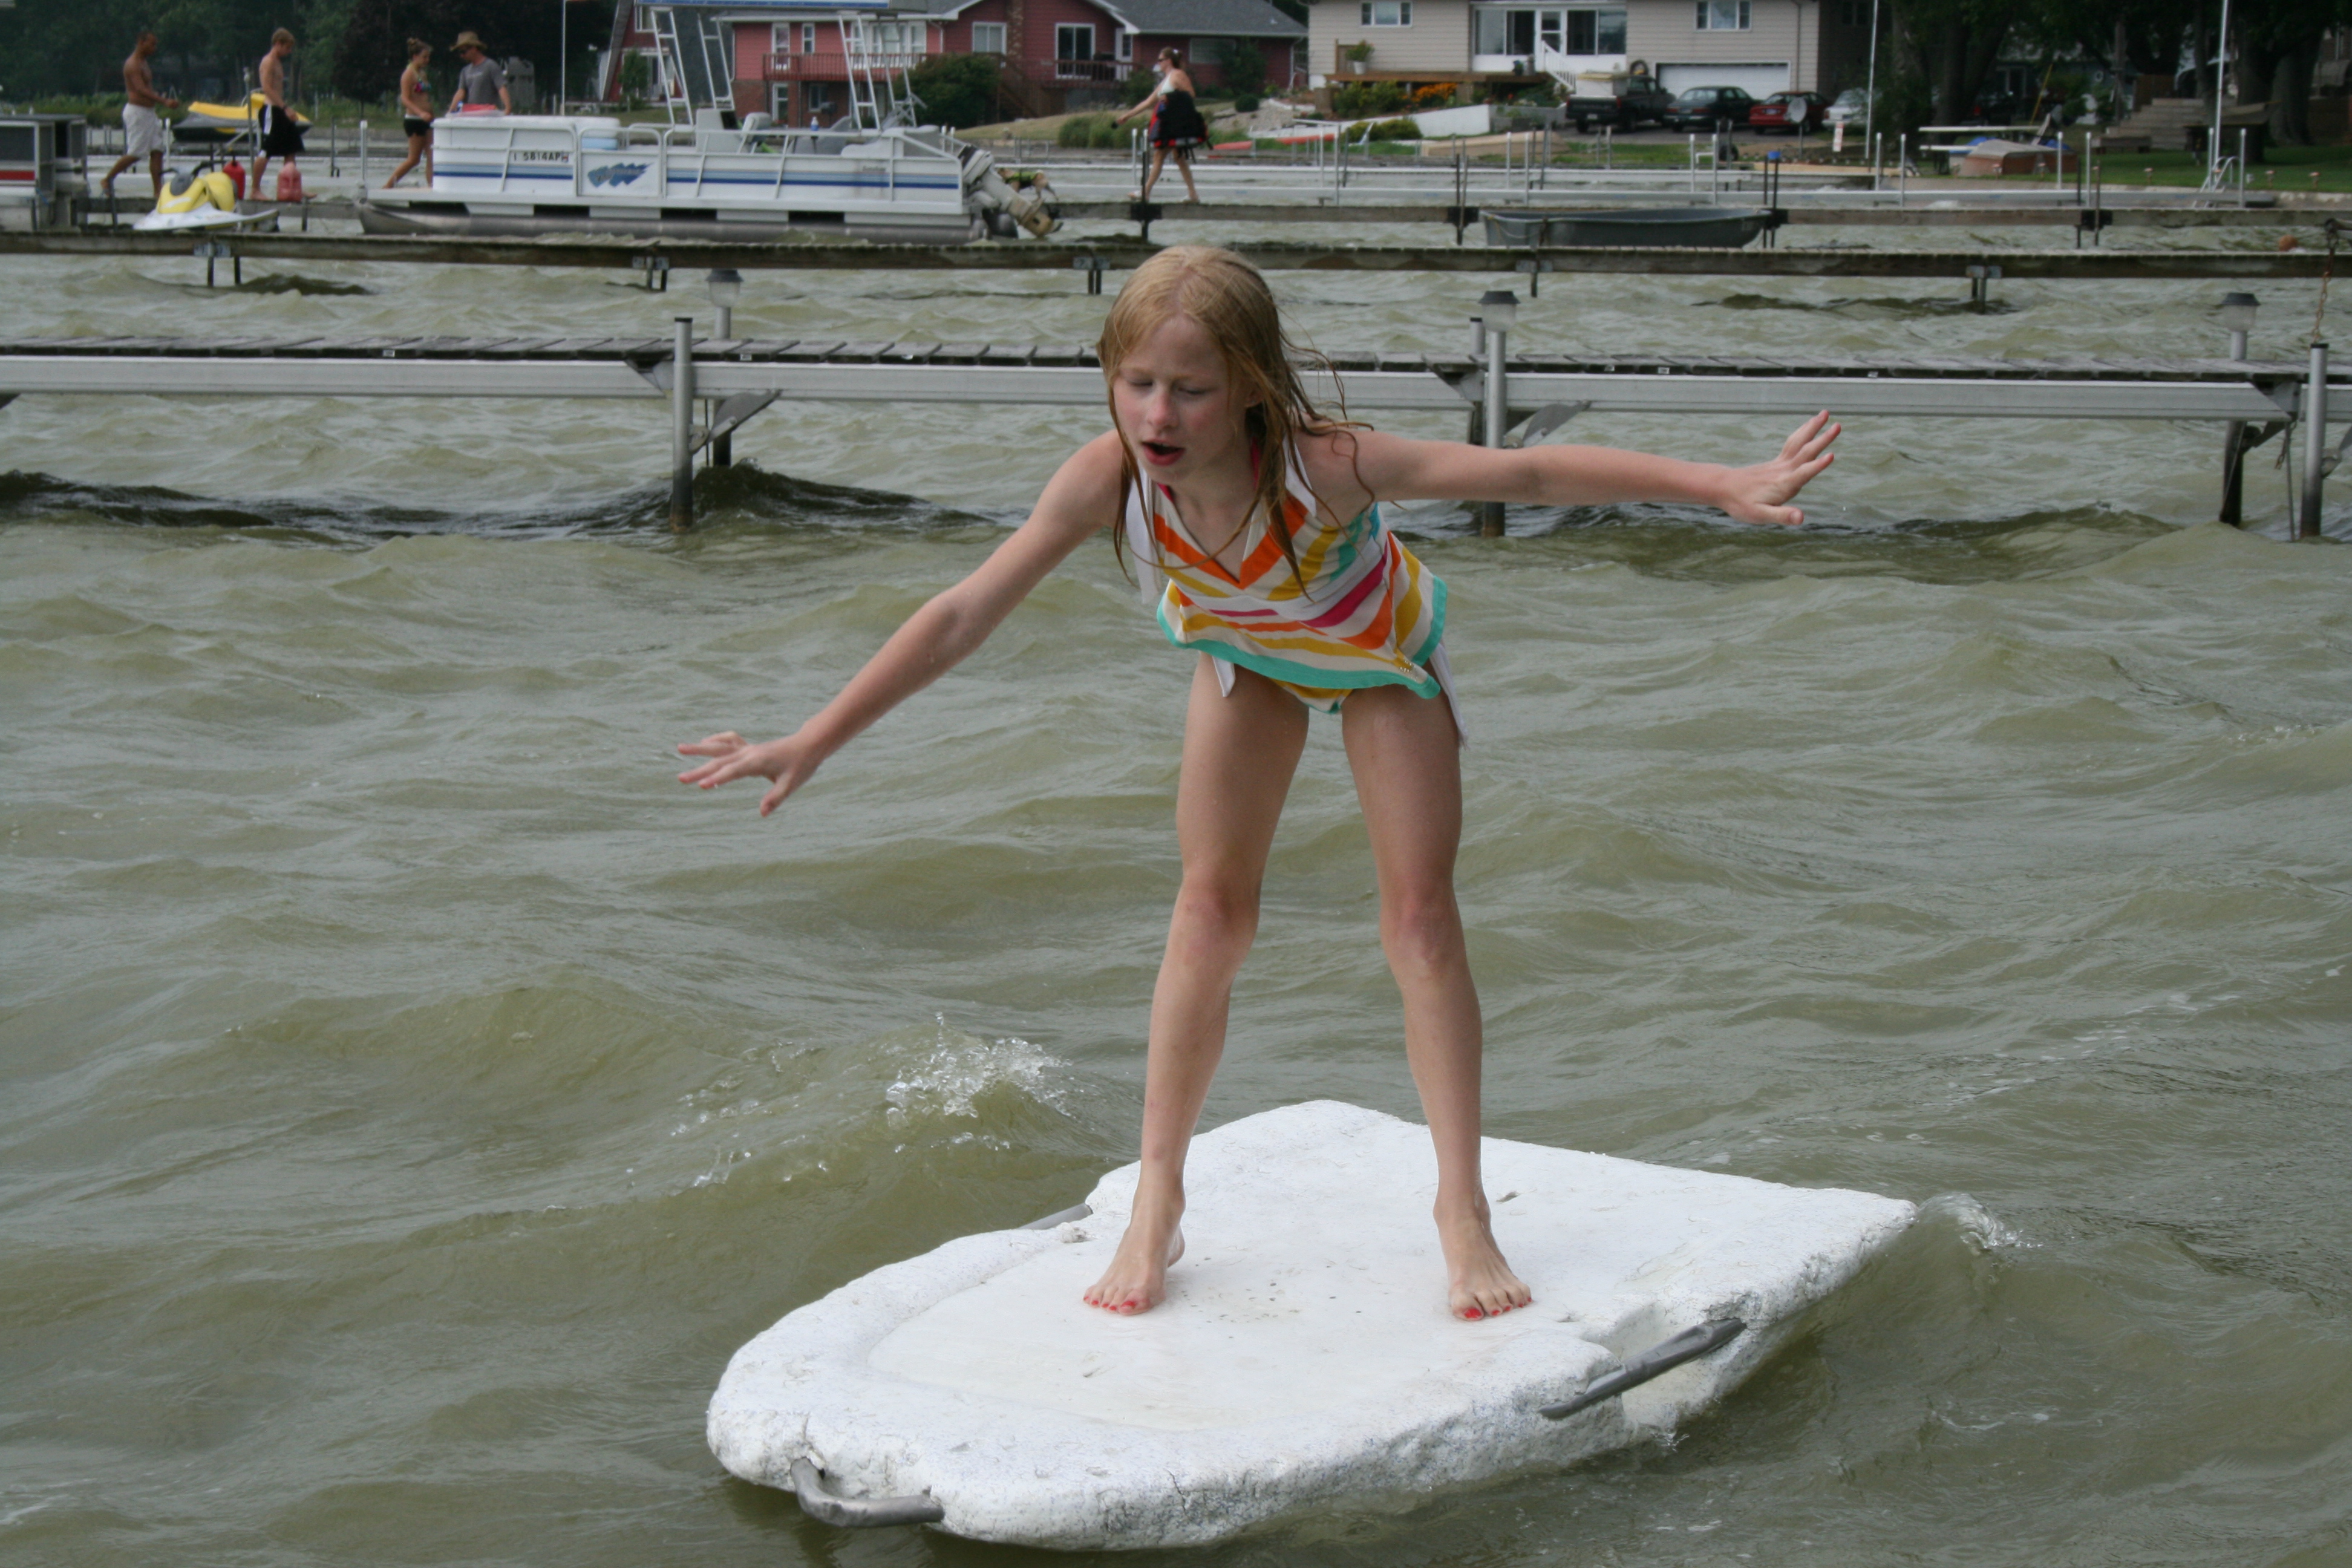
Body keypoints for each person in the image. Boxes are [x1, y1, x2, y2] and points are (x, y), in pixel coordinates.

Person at [676, 246, 1838, 1322]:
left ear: (1245, 386)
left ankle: (1460, 1206)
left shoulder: (1325, 466)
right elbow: (959, 613)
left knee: (1418, 923)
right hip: (1250, 657)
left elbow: (1523, 468)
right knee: (1207, 912)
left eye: (1188, 390)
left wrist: (1716, 483)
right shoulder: (1107, 479)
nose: (1156, 415)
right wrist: (814, 736)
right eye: (1135, 383)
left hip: (1377, 657)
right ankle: (1157, 1198)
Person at [1116, 47, 1204, 204]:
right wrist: (1128, 116)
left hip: (1176, 123)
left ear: (1168, 61)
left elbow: (1191, 94)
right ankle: (1192, 194)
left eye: (1160, 60)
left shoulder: (1178, 75)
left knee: (1160, 155)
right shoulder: (1167, 79)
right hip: (1170, 123)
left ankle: (1146, 192)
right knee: (1179, 158)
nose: (1158, 63)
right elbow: (1149, 102)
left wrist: (1171, 97)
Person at [101, 31, 179, 201]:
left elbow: (148, 88)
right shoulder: (133, 64)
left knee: (157, 150)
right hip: (137, 112)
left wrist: (158, 97)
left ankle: (158, 190)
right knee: (136, 153)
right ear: (141, 42)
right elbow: (140, 89)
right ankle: (108, 179)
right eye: (152, 44)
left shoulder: (144, 63)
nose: (154, 48)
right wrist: (164, 101)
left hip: (149, 113)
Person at [250, 27, 304, 199]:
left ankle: (292, 187)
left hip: (280, 110)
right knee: (266, 150)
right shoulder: (268, 62)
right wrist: (285, 108)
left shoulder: (278, 62)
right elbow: (267, 88)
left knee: (291, 148)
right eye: (287, 48)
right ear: (278, 44)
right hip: (271, 111)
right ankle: (255, 189)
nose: (289, 52)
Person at [387, 39, 435, 187]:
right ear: (415, 57)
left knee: (432, 155)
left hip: (428, 121)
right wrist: (421, 113)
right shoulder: (408, 74)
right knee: (414, 159)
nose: (427, 60)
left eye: (428, 57)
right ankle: (388, 185)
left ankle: (432, 186)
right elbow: (405, 99)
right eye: (424, 57)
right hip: (415, 120)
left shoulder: (422, 73)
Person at [448, 31, 512, 114]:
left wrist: (508, 108)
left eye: (463, 52)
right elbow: (461, 92)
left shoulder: (490, 66)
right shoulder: (465, 71)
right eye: (460, 53)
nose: (462, 56)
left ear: (474, 49)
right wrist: (451, 110)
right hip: (472, 113)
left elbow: (501, 87)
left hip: (489, 114)